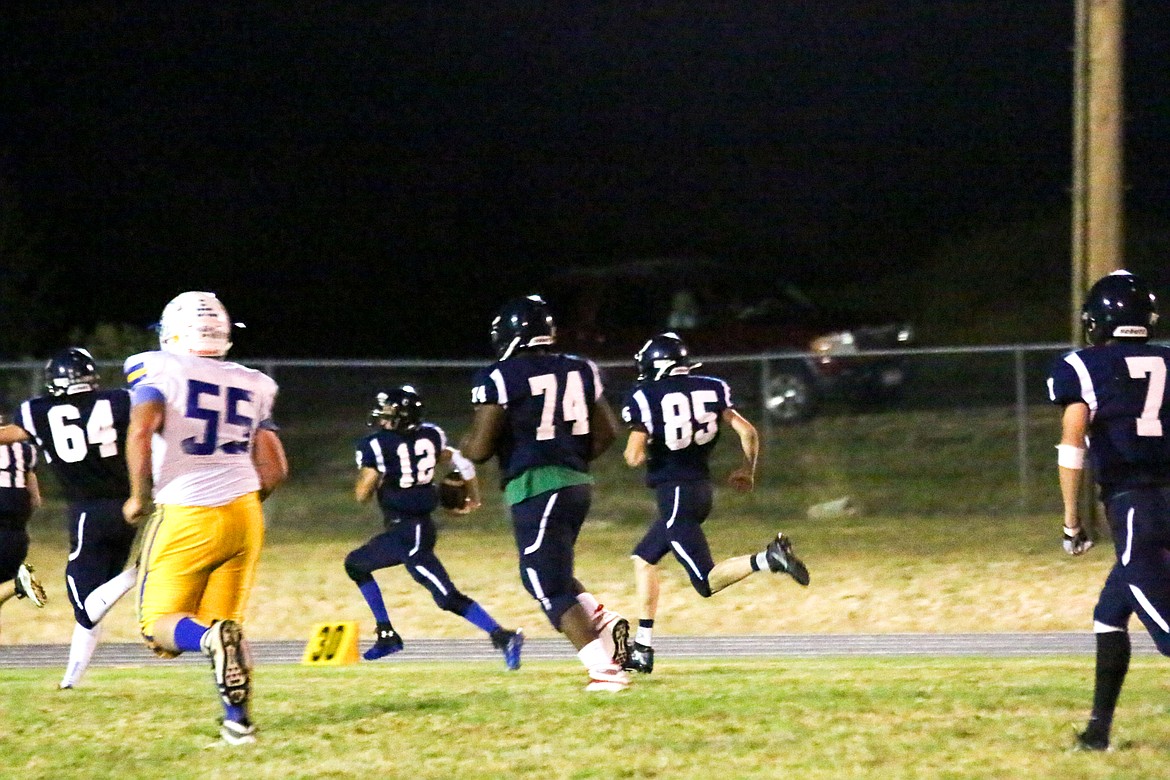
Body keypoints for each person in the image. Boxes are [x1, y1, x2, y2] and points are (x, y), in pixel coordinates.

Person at [122, 291, 288, 746]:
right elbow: (275, 469)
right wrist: (246, 500)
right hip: (244, 514)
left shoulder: (157, 368)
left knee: (158, 626)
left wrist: (138, 495)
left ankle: (217, 653)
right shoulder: (255, 382)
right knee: (222, 624)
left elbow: (141, 429)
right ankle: (239, 723)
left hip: (185, 511)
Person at [461, 294, 633, 692]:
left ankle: (605, 672)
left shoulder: (501, 375)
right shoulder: (581, 368)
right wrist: (569, 458)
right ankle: (605, 623)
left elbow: (482, 448)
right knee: (554, 571)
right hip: (575, 482)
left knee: (541, 578)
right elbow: (607, 431)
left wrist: (464, 452)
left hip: (536, 485)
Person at [618, 332, 810, 674]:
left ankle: (768, 559)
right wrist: (747, 471)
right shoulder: (711, 387)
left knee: (706, 582)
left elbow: (633, 456)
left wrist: (640, 447)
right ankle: (642, 649)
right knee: (644, 558)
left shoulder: (645, 395)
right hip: (700, 490)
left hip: (675, 496)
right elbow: (748, 431)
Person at [1047, 270, 1170, 751]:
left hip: (1138, 505)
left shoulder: (1083, 366)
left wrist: (1072, 520)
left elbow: (1072, 443)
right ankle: (1097, 733)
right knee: (1109, 613)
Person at [347, 384, 524, 669]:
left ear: (402, 416)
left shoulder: (376, 445)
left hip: (412, 532)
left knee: (445, 597)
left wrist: (375, 476)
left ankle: (502, 635)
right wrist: (472, 497)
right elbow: (456, 457)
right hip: (402, 531)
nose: (382, 418)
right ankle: (387, 634)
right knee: (355, 564)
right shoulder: (431, 434)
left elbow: (361, 495)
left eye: (389, 413)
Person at [0, 348, 139, 688]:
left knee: (83, 605)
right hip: (127, 508)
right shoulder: (121, 401)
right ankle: (70, 681)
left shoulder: (37, 411)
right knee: (94, 602)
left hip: (88, 511)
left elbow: (9, 434)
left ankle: (142, 572)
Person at [0, 438, 47, 632]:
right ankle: (16, 583)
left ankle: (17, 584)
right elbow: (35, 499)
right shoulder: (25, 449)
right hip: (16, 532)